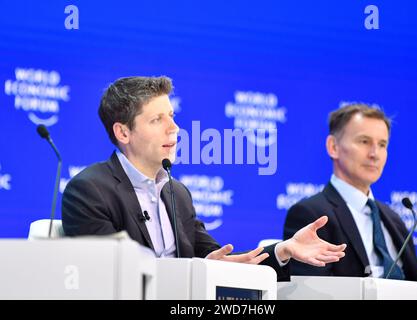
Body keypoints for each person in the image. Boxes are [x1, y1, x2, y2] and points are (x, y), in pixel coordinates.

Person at [62, 76, 346, 281]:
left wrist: (283, 250)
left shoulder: (178, 193)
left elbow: (220, 259)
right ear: (123, 133)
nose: (174, 128)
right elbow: (107, 277)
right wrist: (195, 269)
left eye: (172, 116)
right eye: (157, 120)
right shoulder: (89, 190)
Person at [283, 104, 417, 281]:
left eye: (382, 144)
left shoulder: (394, 219)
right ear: (333, 147)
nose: (375, 154)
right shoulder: (311, 214)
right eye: (364, 141)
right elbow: (310, 292)